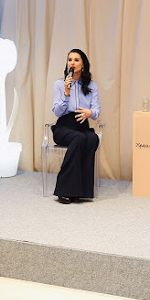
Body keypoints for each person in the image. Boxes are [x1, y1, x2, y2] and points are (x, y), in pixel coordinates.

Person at [51, 49, 101, 204]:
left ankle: (82, 191)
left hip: (82, 125)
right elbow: (57, 112)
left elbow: (96, 111)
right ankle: (64, 190)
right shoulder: (59, 84)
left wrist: (89, 112)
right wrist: (66, 93)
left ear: (83, 64)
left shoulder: (92, 85)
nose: (72, 63)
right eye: (70, 60)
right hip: (64, 126)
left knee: (92, 139)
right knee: (79, 138)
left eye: (76, 60)